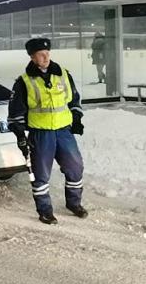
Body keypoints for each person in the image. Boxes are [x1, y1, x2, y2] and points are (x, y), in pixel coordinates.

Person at [7, 38, 87, 224]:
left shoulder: (63, 74)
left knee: (75, 167)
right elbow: (15, 114)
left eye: (47, 53)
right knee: (40, 175)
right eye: (40, 54)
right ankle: (45, 211)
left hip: (63, 132)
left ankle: (74, 203)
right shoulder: (23, 82)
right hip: (41, 134)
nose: (45, 57)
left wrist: (76, 119)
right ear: (32, 57)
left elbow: (74, 100)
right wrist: (20, 135)